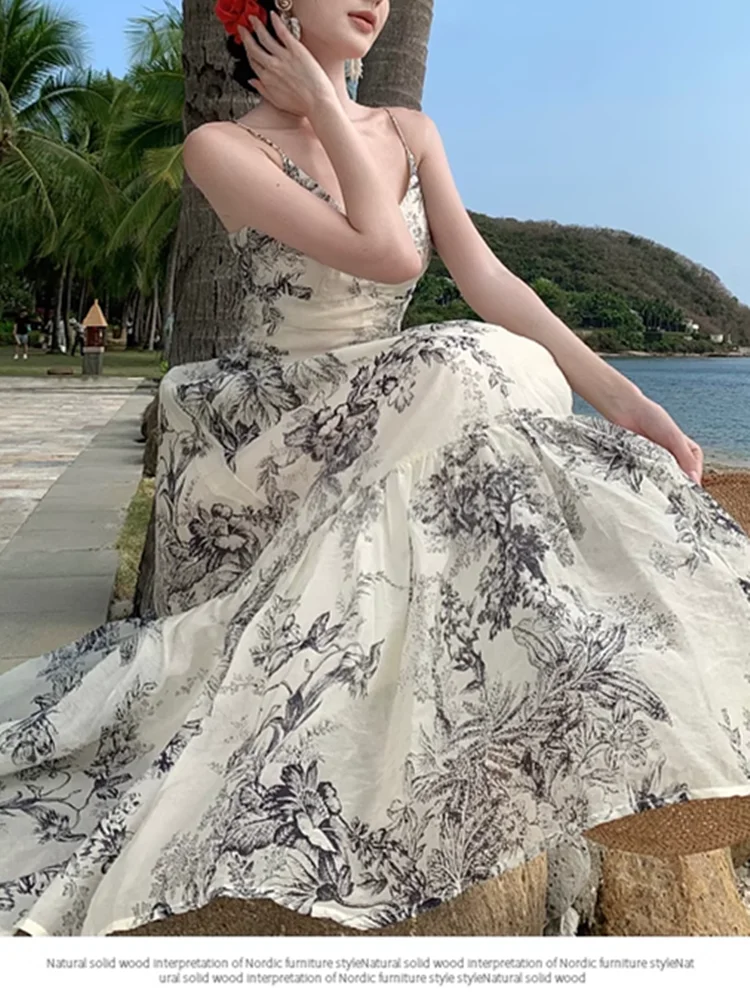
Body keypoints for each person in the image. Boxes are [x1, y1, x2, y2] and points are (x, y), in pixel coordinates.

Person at [0, 0, 748, 939]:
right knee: (465, 363)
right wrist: (322, 98)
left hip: (396, 405)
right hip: (276, 430)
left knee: (491, 369)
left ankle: (592, 699)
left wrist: (632, 405)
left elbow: (490, 281)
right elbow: (390, 255)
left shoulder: (410, 131)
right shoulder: (220, 147)